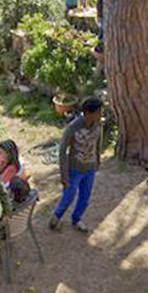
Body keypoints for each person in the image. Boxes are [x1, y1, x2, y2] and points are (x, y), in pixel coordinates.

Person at [50, 97, 104, 233]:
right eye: (99, 112)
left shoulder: (98, 125)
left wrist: (98, 160)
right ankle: (56, 217)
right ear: (89, 113)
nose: (101, 114)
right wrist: (64, 174)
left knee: (85, 197)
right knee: (69, 195)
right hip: (74, 169)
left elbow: (98, 143)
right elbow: (62, 151)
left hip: (90, 168)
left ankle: (76, 219)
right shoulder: (73, 127)